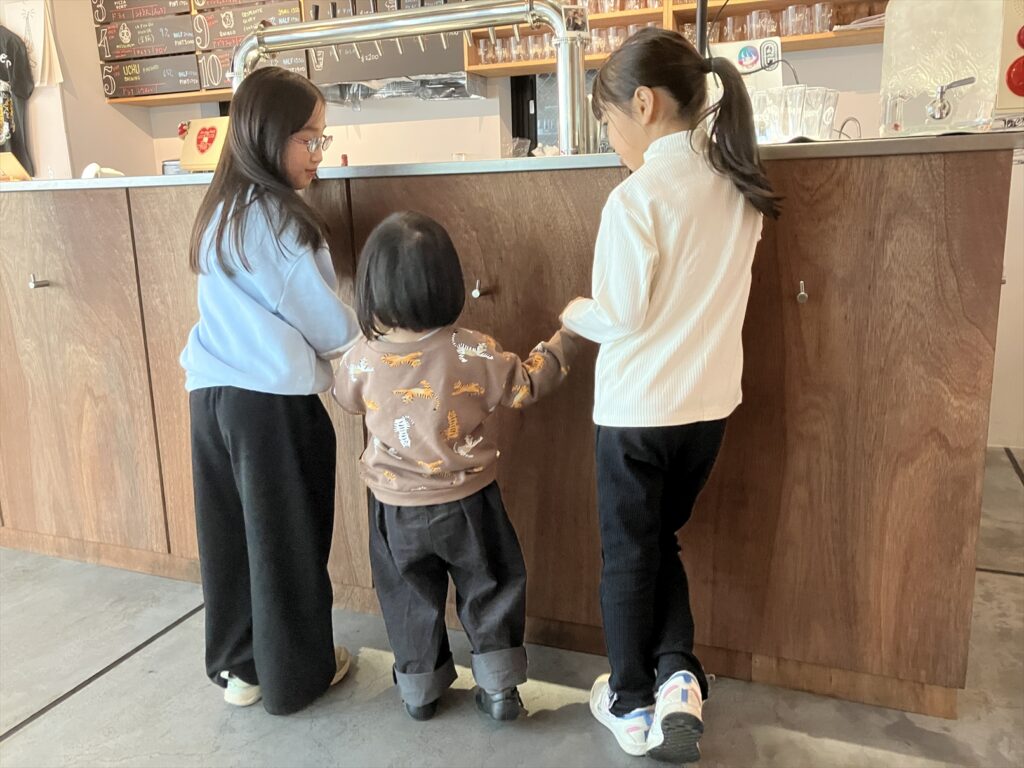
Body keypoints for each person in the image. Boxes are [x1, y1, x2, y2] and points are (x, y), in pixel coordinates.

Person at [560, 28, 781, 763]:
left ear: (644, 104)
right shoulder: (738, 187)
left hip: (635, 414)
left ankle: (629, 702)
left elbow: (619, 313)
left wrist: (572, 313)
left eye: (608, 121)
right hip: (707, 413)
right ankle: (679, 677)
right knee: (660, 541)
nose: (610, 139)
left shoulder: (636, 198)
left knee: (628, 554)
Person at [333, 211, 576, 723]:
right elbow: (526, 386)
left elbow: (346, 399)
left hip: (394, 510)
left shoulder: (361, 357)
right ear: (448, 283)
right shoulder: (472, 349)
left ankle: (420, 690)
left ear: (371, 289)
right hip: (469, 502)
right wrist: (566, 339)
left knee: (406, 598)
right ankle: (500, 687)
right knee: (490, 586)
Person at [180, 67, 360, 715]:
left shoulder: (220, 212)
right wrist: (366, 365)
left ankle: (241, 669)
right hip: (271, 407)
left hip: (210, 398)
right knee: (287, 539)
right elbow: (326, 324)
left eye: (321, 139)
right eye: (308, 139)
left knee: (228, 538)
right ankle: (297, 677)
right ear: (265, 135)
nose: (319, 154)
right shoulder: (281, 221)